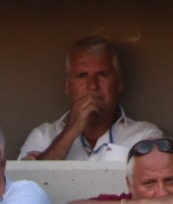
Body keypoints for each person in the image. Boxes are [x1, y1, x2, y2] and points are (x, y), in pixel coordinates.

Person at [19, 37, 162, 162]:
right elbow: (28, 188)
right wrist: (70, 131)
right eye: (82, 76)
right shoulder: (43, 136)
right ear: (67, 86)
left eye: (103, 75)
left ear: (119, 83)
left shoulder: (144, 136)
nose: (92, 86)